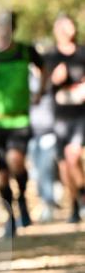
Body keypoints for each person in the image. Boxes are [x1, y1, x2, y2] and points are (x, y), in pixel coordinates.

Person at [0, 11, 45, 237]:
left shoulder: (25, 51)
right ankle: (10, 217)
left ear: (13, 28)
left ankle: (21, 195)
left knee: (16, 162)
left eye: (7, 25)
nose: (3, 29)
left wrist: (39, 92)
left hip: (20, 119)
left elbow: (43, 69)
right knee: (2, 174)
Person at [43, 13, 85, 223]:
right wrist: (54, 80)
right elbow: (43, 88)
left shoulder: (82, 53)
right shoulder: (50, 56)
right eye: (61, 27)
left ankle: (82, 196)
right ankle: (75, 204)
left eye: (69, 26)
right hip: (59, 117)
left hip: (80, 115)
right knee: (64, 165)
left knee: (73, 155)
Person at [27, 66, 59, 222]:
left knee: (46, 169)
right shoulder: (26, 80)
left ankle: (49, 203)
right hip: (31, 133)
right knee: (35, 172)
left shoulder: (50, 82)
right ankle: (45, 201)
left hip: (49, 132)